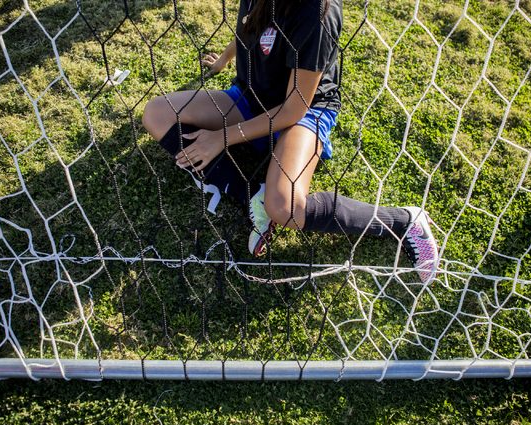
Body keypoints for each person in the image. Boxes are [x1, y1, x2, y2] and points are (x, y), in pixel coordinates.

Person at [141, 0, 439, 283]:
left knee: (285, 208)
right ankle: (252, 195)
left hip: (303, 112)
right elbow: (251, 26)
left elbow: (294, 107)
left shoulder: (317, 12)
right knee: (156, 114)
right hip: (249, 100)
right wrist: (223, 59)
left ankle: (404, 221)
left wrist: (222, 138)